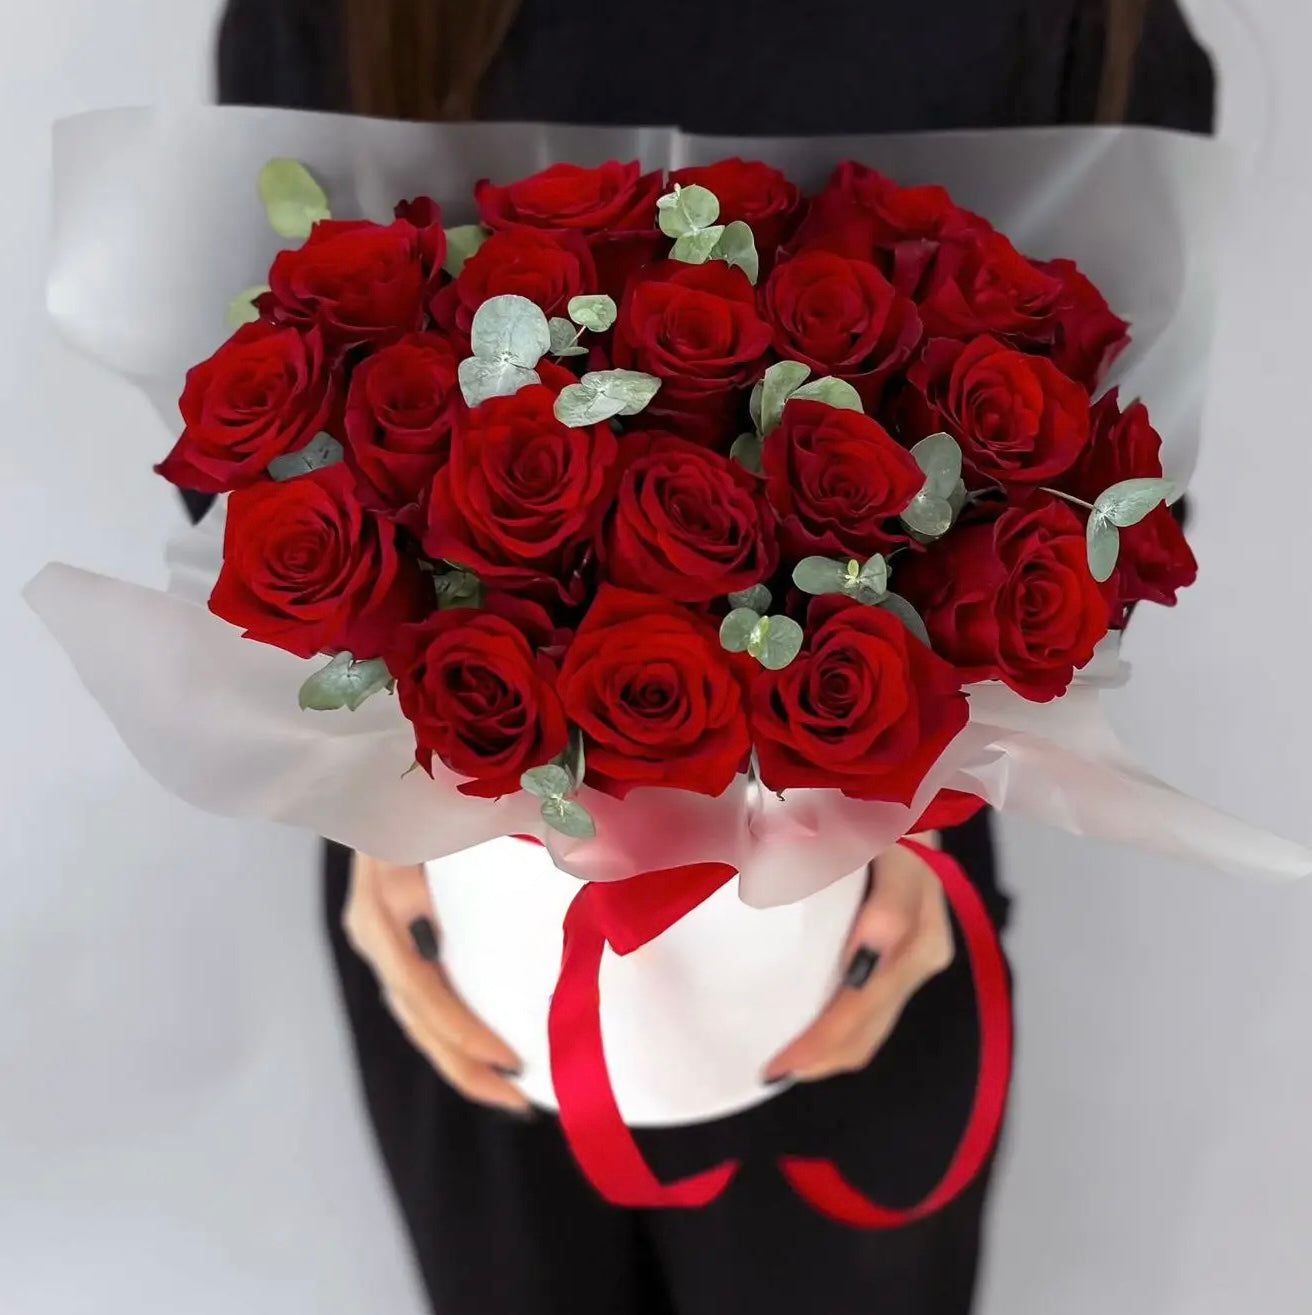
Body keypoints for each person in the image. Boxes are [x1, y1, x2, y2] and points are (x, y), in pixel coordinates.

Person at [200, 3, 1216, 1312]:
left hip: (871, 900)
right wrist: (365, 800)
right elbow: (266, 391)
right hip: (458, 877)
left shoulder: (1072, 19)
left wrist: (918, 803)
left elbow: (1107, 494)